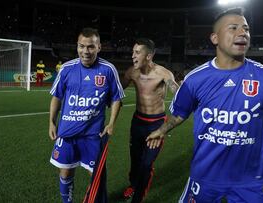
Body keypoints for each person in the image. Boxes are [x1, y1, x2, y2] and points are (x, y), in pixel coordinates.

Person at [146, 8, 263, 203]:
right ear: (215, 38)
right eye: (233, 28)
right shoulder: (195, 79)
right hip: (204, 176)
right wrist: (162, 130)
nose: (242, 33)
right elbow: (180, 113)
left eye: (246, 29)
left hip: (248, 182)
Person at [49, 27, 125, 203]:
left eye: (90, 46)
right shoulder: (67, 69)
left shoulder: (108, 69)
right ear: (77, 46)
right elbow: (56, 97)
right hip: (67, 133)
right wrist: (52, 122)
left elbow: (116, 98)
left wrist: (112, 123)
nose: (85, 51)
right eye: (81, 46)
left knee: (96, 174)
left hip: (93, 135)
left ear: (99, 47)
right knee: (66, 171)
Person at [120, 38, 179, 203]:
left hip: (157, 123)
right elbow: (117, 90)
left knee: (146, 164)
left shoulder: (164, 74)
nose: (133, 56)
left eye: (137, 52)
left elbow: (178, 93)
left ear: (149, 55)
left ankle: (137, 199)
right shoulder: (132, 72)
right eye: (133, 52)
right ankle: (133, 185)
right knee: (135, 159)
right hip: (138, 122)